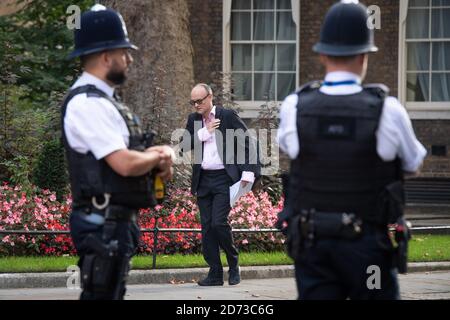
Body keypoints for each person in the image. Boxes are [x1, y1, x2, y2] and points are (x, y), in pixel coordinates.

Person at [277, 1, 427, 300]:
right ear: (364, 56)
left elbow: (290, 149)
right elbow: (414, 163)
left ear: (322, 54)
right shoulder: (387, 109)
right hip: (367, 249)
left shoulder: (296, 106)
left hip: (313, 244)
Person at [62, 4, 174, 300]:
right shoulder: (88, 104)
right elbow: (123, 163)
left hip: (113, 221)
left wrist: (153, 161)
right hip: (101, 223)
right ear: (105, 56)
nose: (129, 59)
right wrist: (160, 156)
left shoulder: (106, 101)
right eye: (124, 52)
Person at [182, 83, 260, 286]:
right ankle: (215, 273)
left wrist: (248, 172)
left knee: (218, 223)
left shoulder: (226, 115)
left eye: (199, 101)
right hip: (203, 180)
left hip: (223, 179)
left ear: (210, 97)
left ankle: (233, 263)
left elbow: (247, 142)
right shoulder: (193, 120)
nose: (196, 105)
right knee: (207, 228)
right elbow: (183, 145)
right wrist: (204, 132)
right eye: (193, 102)